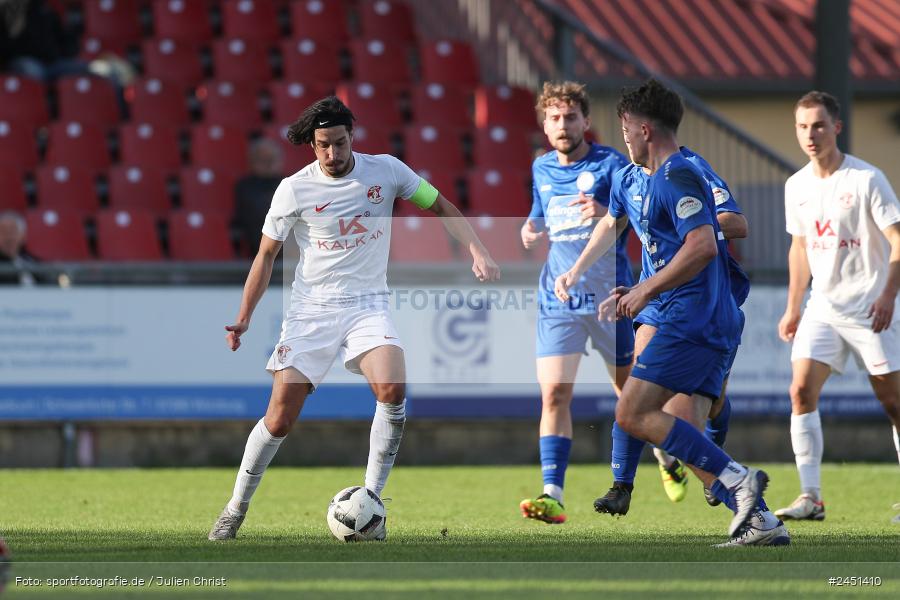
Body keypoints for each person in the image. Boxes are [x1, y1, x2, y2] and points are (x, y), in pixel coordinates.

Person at [208, 96, 500, 541]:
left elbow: (440, 205)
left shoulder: (386, 171)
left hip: (368, 305)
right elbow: (266, 255)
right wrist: (244, 317)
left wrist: (477, 248)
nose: (333, 154)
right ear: (311, 145)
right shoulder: (293, 189)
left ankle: (372, 501)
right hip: (310, 314)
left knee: (393, 389)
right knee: (279, 420)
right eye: (323, 145)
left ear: (352, 137)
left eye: (340, 143)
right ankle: (234, 509)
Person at [555, 79, 782, 544]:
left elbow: (703, 245)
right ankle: (762, 523)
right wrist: (626, 283)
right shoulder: (645, 177)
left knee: (634, 413)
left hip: (693, 314)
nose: (623, 140)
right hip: (692, 311)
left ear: (643, 128)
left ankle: (737, 479)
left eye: (624, 131)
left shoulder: (680, 174)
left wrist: (644, 292)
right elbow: (626, 225)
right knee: (677, 427)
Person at [597, 147, 752, 514]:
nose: (627, 137)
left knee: (699, 412)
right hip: (658, 295)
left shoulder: (690, 170)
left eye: (631, 127)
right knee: (636, 388)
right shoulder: (629, 176)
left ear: (648, 129)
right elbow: (611, 222)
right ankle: (622, 485)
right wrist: (574, 271)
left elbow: (736, 222)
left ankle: (721, 470)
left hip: (708, 300)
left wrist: (693, 220)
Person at [776, 91, 900, 522]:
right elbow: (800, 247)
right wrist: (794, 306)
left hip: (871, 306)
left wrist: (888, 295)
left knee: (894, 403)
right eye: (803, 126)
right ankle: (811, 498)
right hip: (824, 308)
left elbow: (898, 241)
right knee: (800, 391)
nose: (811, 134)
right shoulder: (797, 186)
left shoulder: (866, 179)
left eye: (819, 125)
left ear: (837, 127)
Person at [517, 81, 633, 525]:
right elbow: (538, 214)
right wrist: (528, 230)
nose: (562, 125)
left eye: (570, 117)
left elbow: (626, 220)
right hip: (559, 298)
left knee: (629, 395)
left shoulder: (611, 164)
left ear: (586, 121)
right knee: (554, 394)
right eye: (554, 118)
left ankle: (664, 456)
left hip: (609, 298)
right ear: (544, 125)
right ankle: (552, 493)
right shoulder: (542, 167)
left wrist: (606, 211)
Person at [234, 138, 285, 257]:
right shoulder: (244, 186)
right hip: (258, 243)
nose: (268, 164)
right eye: (263, 160)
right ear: (252, 162)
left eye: (272, 160)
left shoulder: (288, 184)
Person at [0, 210, 36, 285]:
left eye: (13, 231)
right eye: (3, 231)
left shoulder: (31, 261)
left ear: (23, 236)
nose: (8, 236)